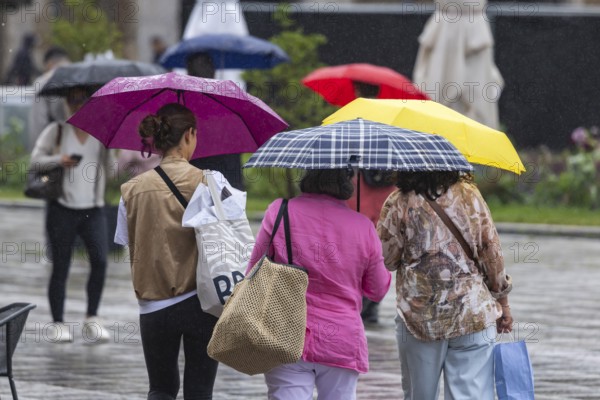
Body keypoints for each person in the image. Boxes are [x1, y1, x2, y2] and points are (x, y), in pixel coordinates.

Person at [248, 168, 392, 400]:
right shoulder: (363, 226)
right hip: (341, 340)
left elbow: (253, 270)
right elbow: (377, 290)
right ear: (346, 180)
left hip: (286, 333)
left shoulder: (279, 211)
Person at [114, 103, 220, 399]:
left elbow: (127, 242)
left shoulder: (132, 190)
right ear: (189, 134)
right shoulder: (209, 183)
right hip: (203, 303)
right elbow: (226, 243)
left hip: (154, 306)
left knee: (160, 389)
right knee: (200, 391)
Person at [377, 171, 514, 399]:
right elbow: (492, 253)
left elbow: (387, 259)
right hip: (472, 313)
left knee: (420, 395)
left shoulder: (398, 201)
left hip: (418, 319)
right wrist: (504, 303)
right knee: (470, 395)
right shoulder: (470, 195)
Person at [30, 87, 115, 343]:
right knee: (61, 266)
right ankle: (58, 323)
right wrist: (59, 159)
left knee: (100, 260)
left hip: (93, 208)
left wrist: (110, 148)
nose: (77, 105)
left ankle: (92, 318)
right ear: (66, 103)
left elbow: (110, 173)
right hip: (61, 209)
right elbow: (35, 161)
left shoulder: (99, 134)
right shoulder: (57, 130)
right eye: (73, 100)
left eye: (82, 100)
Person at [348, 80, 397, 325]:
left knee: (356, 249)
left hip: (361, 190)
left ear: (357, 90)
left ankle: (359, 301)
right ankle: (372, 305)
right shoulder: (390, 118)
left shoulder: (352, 118)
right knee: (379, 249)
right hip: (386, 190)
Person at [186, 52, 245, 190]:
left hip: (195, 182)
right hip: (229, 182)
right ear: (213, 73)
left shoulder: (184, 108)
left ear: (188, 75)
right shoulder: (231, 104)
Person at [28, 46, 71, 151]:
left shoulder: (43, 82)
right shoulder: (82, 78)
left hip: (55, 147)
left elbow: (39, 121)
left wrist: (39, 150)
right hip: (81, 144)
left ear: (49, 64)